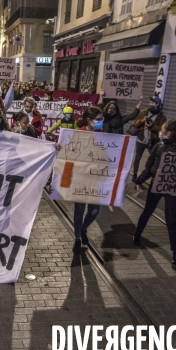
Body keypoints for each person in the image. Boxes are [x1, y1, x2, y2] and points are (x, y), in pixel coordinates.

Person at [133, 120, 176, 270]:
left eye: (163, 130)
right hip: (156, 183)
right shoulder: (158, 146)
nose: (160, 133)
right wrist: (139, 180)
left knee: (171, 221)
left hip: (173, 187)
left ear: (170, 133)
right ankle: (137, 234)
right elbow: (149, 167)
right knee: (147, 211)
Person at [72, 106, 105, 253]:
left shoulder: (102, 134)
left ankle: (83, 229)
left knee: (94, 211)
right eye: (98, 120)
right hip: (81, 179)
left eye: (102, 119)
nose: (101, 122)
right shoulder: (79, 134)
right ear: (90, 120)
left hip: (96, 179)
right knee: (79, 210)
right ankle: (77, 238)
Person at [132, 96, 167, 183]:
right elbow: (135, 122)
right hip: (141, 139)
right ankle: (135, 174)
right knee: (137, 158)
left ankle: (152, 176)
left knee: (154, 160)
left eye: (152, 102)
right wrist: (141, 121)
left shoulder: (162, 117)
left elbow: (162, 130)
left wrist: (151, 126)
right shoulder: (144, 112)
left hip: (152, 142)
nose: (150, 104)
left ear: (157, 104)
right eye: (150, 102)